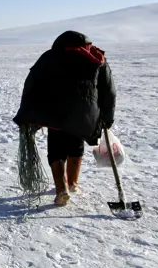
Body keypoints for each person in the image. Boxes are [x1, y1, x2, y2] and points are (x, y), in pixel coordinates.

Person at [13, 31, 117, 206]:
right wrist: (107, 116)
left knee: (56, 149)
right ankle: (73, 184)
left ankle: (62, 189)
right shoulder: (97, 57)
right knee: (76, 146)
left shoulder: (49, 57)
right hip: (84, 112)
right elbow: (109, 90)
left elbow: (32, 83)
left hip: (54, 111)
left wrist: (26, 113)